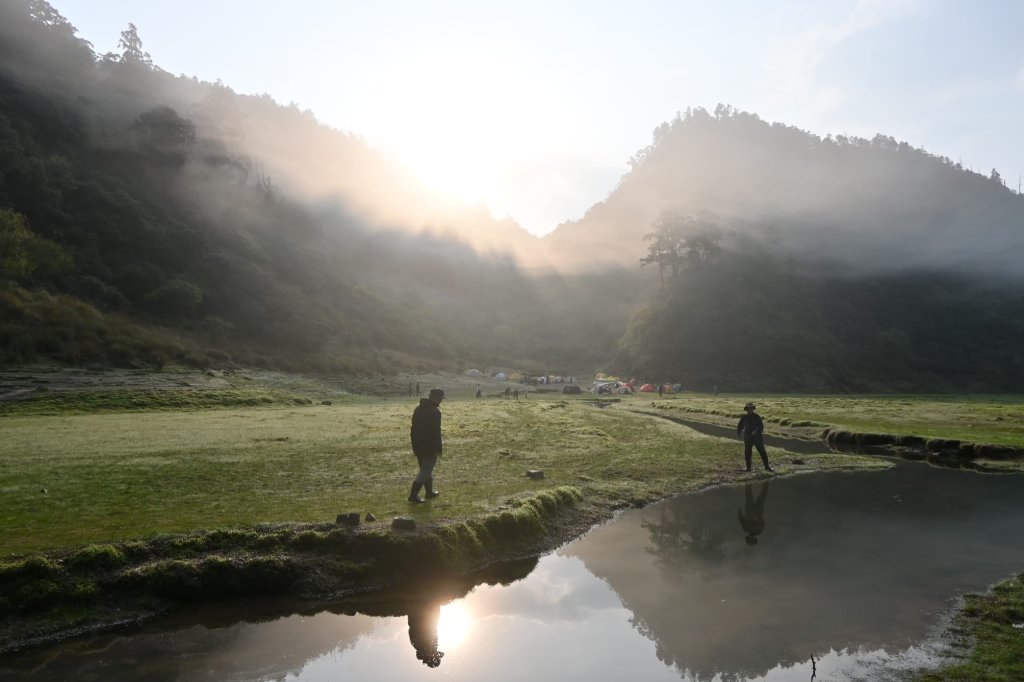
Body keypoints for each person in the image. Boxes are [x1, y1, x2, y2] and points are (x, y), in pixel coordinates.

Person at [409, 388, 444, 503]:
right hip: (429, 446)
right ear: (437, 399)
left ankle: (429, 492)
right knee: (425, 470)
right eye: (441, 399)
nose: (441, 401)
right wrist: (438, 448)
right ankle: (413, 495)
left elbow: (413, 429)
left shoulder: (418, 409)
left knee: (425, 469)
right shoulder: (434, 412)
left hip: (418, 444)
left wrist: (414, 445)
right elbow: (435, 432)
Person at [737, 402, 773, 472]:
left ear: (753, 409)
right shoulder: (744, 417)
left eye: (751, 408)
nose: (750, 410)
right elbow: (740, 425)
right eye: (748, 409)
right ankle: (748, 468)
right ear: (746, 409)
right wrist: (739, 432)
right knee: (747, 453)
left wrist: (755, 431)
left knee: (762, 452)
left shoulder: (757, 417)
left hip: (757, 437)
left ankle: (767, 467)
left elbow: (761, 426)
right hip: (747, 437)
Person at [407, 600, 444, 668]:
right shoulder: (428, 650)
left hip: (422, 622)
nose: (438, 656)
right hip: (421, 622)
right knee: (434, 603)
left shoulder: (426, 650)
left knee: (432, 602)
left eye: (437, 658)